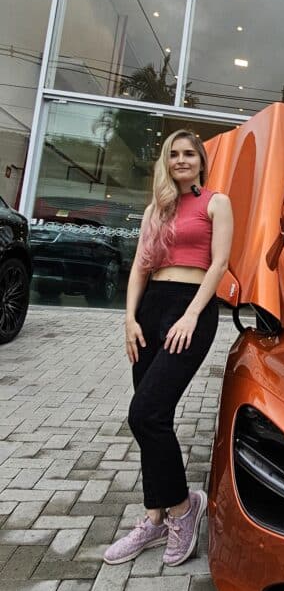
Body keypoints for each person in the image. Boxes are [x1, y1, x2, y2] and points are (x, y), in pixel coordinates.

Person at [104, 129, 233, 566]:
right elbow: (141, 267)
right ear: (166, 161)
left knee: (145, 414)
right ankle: (155, 517)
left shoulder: (216, 203)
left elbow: (219, 263)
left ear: (200, 161)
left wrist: (192, 314)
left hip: (191, 309)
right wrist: (129, 319)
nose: (181, 160)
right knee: (152, 418)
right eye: (173, 154)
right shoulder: (155, 209)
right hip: (151, 309)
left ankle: (182, 508)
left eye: (189, 154)